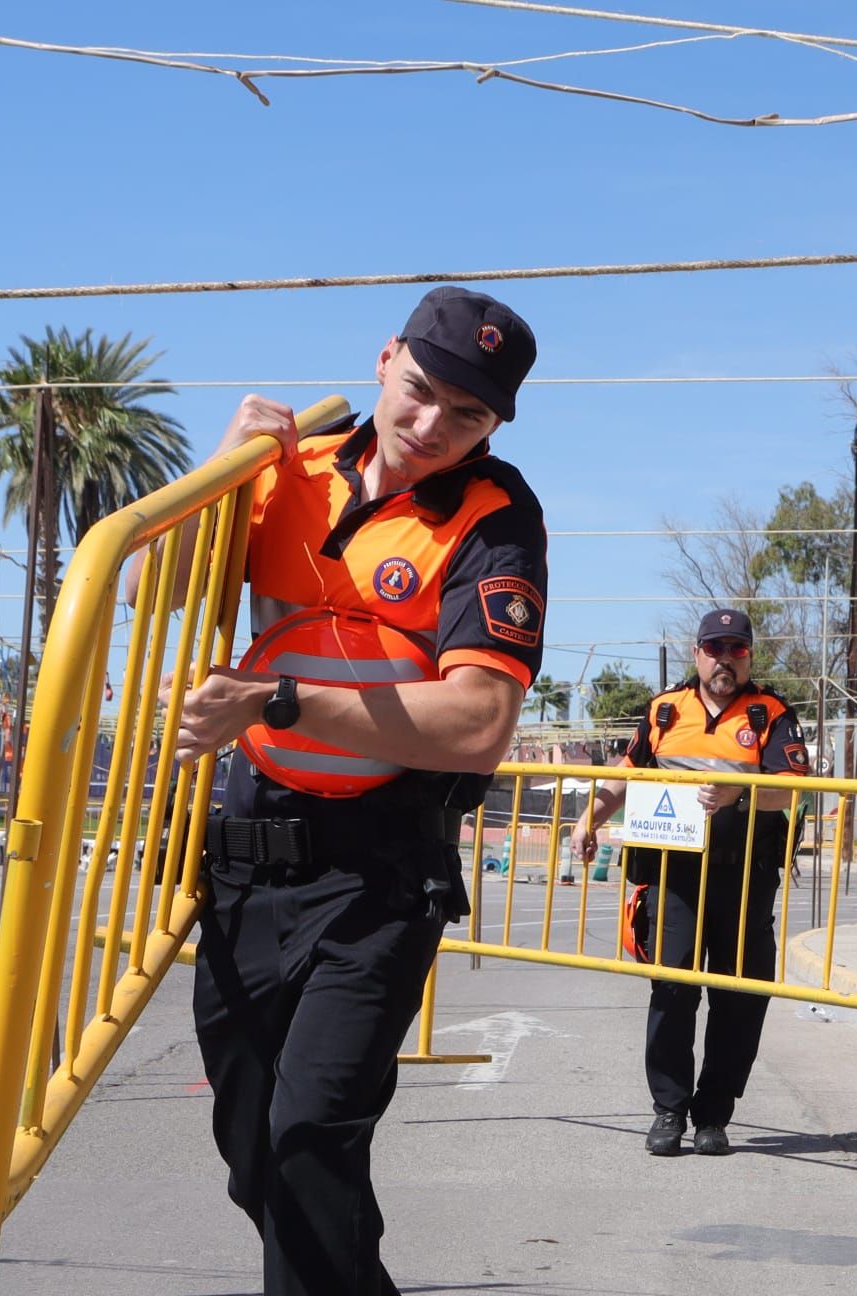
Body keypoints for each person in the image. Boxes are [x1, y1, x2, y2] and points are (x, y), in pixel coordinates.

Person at [139, 287, 547, 1295]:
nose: (431, 427)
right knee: (259, 1159)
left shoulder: (495, 519)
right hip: (246, 871)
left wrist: (273, 700)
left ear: (495, 425)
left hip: (377, 880)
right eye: (420, 393)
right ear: (384, 359)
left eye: (468, 415)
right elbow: (155, 592)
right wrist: (217, 477)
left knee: (309, 1136)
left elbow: (479, 720)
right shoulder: (288, 471)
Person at [569, 608, 810, 1156]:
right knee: (672, 990)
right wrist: (589, 820)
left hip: (744, 877)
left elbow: (794, 787)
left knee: (739, 998)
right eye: (715, 647)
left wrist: (738, 792)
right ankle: (669, 1111)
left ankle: (714, 1116)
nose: (726, 658)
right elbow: (626, 776)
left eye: (737, 649)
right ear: (697, 653)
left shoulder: (771, 713)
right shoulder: (663, 711)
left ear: (749, 655)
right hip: (674, 877)